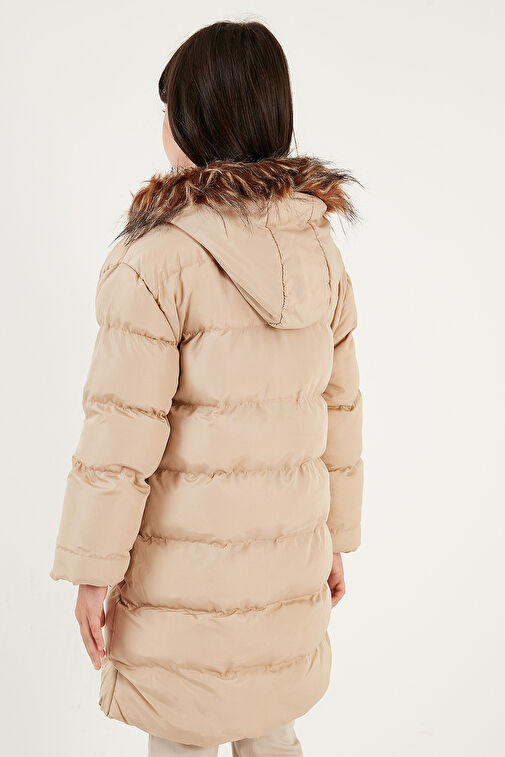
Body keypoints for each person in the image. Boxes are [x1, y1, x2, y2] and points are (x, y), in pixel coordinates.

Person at [50, 19, 363, 756]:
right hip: (286, 563)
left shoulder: (156, 261)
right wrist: (335, 539)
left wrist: (92, 570)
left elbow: (119, 432)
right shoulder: (318, 253)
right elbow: (340, 410)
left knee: (181, 733)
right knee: (272, 725)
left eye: (169, 107)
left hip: (180, 584)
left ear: (193, 117)